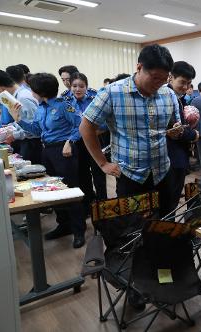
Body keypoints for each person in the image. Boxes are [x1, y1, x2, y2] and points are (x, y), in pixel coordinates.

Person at [80, 44, 179, 219]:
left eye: (164, 79)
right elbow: (86, 127)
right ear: (139, 67)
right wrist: (103, 163)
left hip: (162, 171)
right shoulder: (112, 92)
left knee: (165, 221)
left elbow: (171, 126)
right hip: (131, 175)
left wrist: (175, 130)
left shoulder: (168, 94)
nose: (159, 84)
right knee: (133, 227)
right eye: (155, 78)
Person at [17, 73, 86, 248]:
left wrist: (70, 141)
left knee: (70, 190)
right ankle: (63, 225)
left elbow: (80, 125)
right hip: (47, 151)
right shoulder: (41, 107)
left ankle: (79, 230)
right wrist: (18, 119)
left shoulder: (65, 106)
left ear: (41, 91)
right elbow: (37, 129)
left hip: (64, 151)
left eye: (33, 90)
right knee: (53, 190)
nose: (31, 93)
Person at [164, 61, 199, 216]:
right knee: (169, 202)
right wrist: (194, 135)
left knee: (172, 199)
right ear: (171, 77)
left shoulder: (177, 97)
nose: (185, 87)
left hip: (176, 155)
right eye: (182, 82)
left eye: (189, 83)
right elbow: (175, 130)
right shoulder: (167, 97)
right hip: (171, 157)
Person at [69, 72, 108, 204]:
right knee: (83, 175)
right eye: (74, 86)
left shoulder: (94, 100)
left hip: (95, 141)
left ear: (86, 87)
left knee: (99, 174)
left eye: (81, 86)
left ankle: (103, 204)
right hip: (78, 143)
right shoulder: (67, 103)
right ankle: (87, 203)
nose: (77, 89)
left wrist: (89, 132)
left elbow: (104, 124)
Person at [0, 69, 42, 164]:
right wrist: (11, 127)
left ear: (0, 87)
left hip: (32, 145)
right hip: (27, 143)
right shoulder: (17, 95)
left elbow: (35, 129)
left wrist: (14, 135)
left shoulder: (23, 98)